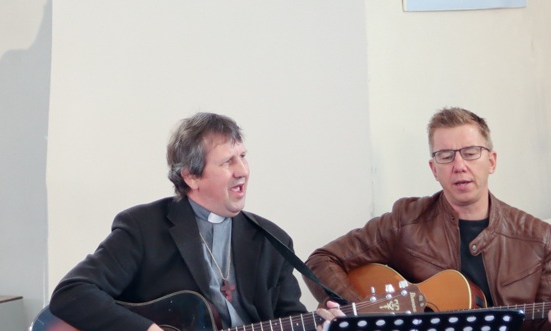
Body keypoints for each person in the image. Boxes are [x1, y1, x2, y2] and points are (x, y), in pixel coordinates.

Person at [49, 113, 340, 331]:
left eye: (243, 156)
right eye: (227, 162)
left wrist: (322, 326)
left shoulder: (272, 241)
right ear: (191, 176)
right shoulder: (143, 228)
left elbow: (290, 319)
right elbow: (71, 293)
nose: (243, 170)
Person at [305, 109, 551, 329]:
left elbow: (549, 321)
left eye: (471, 153)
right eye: (446, 156)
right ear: (434, 169)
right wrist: (364, 316)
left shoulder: (539, 238)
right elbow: (321, 260)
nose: (459, 165)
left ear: (491, 161)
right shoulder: (405, 220)